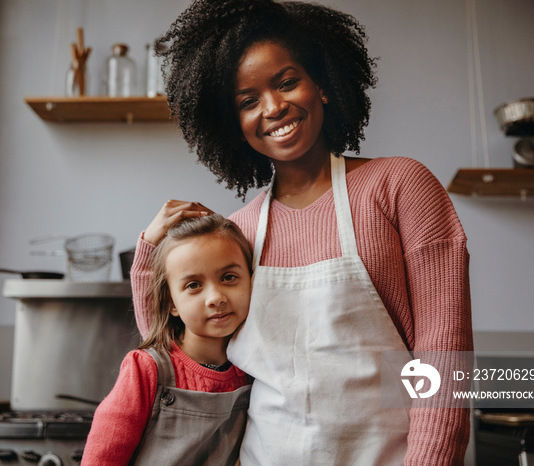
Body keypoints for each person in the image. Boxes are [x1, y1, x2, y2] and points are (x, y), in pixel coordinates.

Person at [130, 0, 473, 464]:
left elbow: (442, 359)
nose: (272, 107)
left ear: (323, 85)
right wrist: (148, 254)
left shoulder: (400, 186)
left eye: (287, 82)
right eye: (247, 102)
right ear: (234, 125)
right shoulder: (240, 231)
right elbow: (185, 355)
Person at [82, 213, 253, 465]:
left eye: (228, 277)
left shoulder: (253, 369)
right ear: (171, 303)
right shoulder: (147, 369)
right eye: (194, 285)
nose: (216, 297)